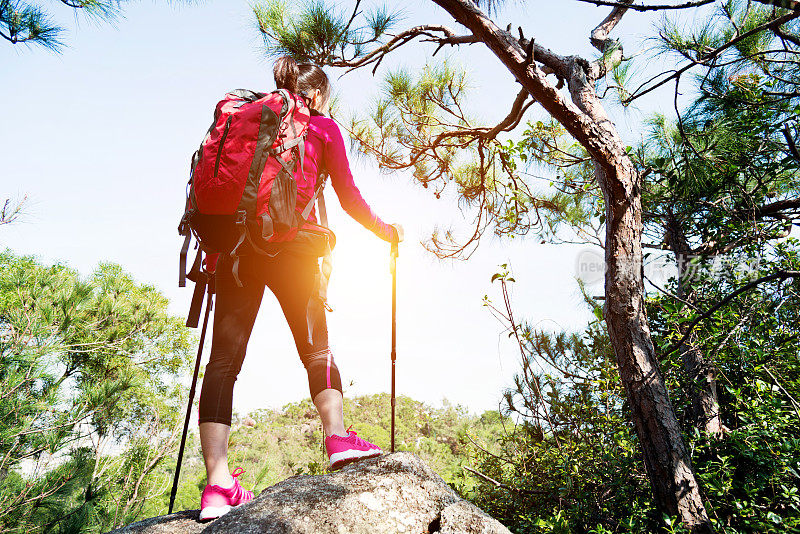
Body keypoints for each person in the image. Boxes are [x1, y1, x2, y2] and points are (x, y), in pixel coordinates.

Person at [196, 56, 403, 521]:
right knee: (316, 349)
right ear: (319, 95)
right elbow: (348, 197)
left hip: (236, 251)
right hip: (293, 250)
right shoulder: (323, 128)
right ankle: (336, 438)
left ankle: (216, 486)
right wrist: (385, 230)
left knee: (224, 362)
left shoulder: (247, 120)